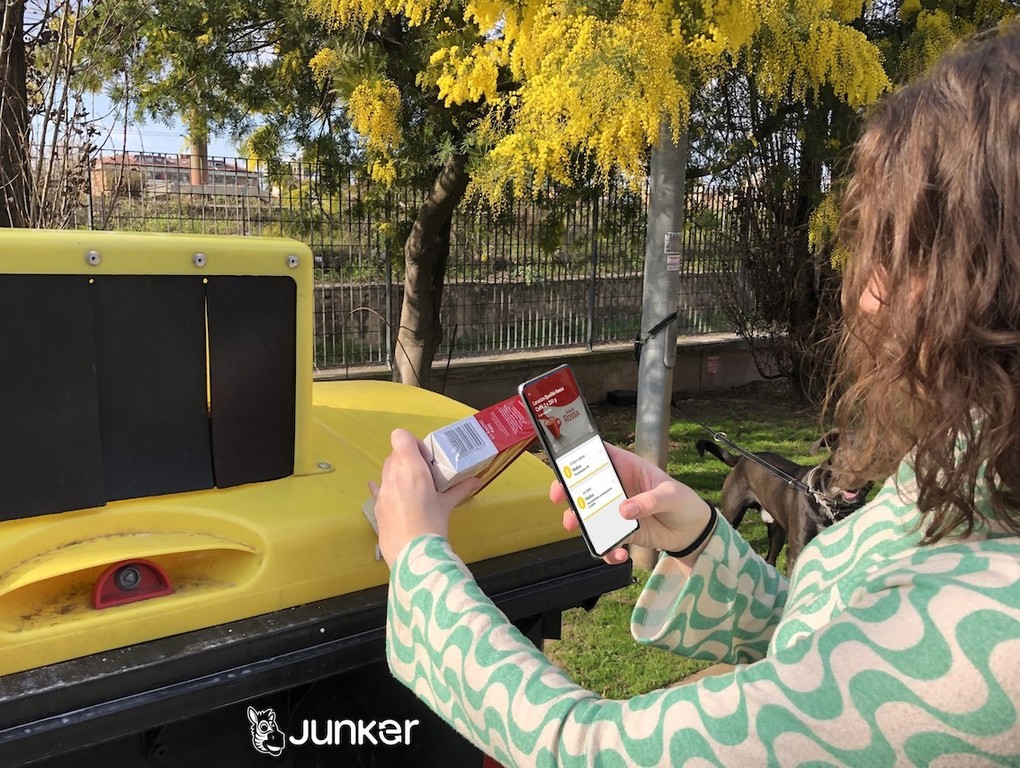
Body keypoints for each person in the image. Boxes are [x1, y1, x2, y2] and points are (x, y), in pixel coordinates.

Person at [368, 22, 1020, 766]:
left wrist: (418, 561)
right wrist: (698, 539)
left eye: (897, 255)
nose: (863, 298)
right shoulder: (972, 471)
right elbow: (833, 661)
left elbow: (591, 753)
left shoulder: (995, 636)